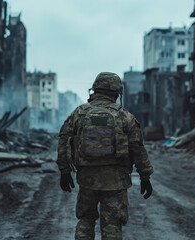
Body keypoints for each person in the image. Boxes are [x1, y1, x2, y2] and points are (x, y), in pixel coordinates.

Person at [57, 72, 154, 240]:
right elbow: (137, 148)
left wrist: (64, 171)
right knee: (112, 224)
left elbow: (64, 140)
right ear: (117, 93)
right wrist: (145, 176)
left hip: (87, 178)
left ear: (94, 90)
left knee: (86, 219)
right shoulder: (125, 117)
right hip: (116, 181)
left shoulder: (79, 113)